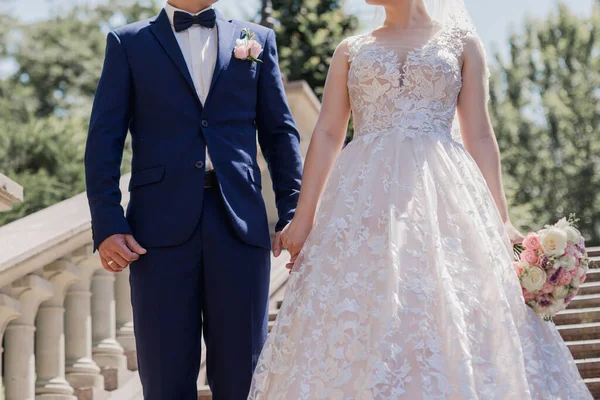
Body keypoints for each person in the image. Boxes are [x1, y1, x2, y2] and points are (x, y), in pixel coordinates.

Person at [248, 0, 592, 398]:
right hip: (362, 203)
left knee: (442, 310)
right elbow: (327, 134)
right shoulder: (350, 49)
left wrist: (503, 221)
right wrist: (303, 220)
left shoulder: (463, 44)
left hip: (444, 196)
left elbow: (479, 134)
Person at [84, 1, 303, 399]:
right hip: (156, 234)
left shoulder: (256, 38)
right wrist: (107, 224)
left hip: (239, 226)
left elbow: (280, 135)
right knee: (165, 378)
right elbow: (104, 140)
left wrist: (293, 213)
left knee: (245, 376)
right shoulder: (128, 42)